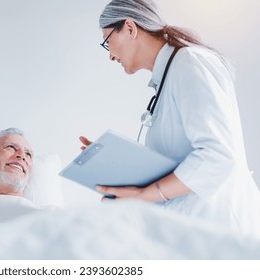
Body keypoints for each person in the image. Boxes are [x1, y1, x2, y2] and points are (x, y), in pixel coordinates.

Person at [80, 0, 260, 238]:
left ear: (130, 28)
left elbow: (218, 156)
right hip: (192, 229)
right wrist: (117, 163)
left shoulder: (190, 62)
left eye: (107, 41)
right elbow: (180, 161)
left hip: (221, 229)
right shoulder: (169, 76)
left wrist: (145, 196)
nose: (111, 56)